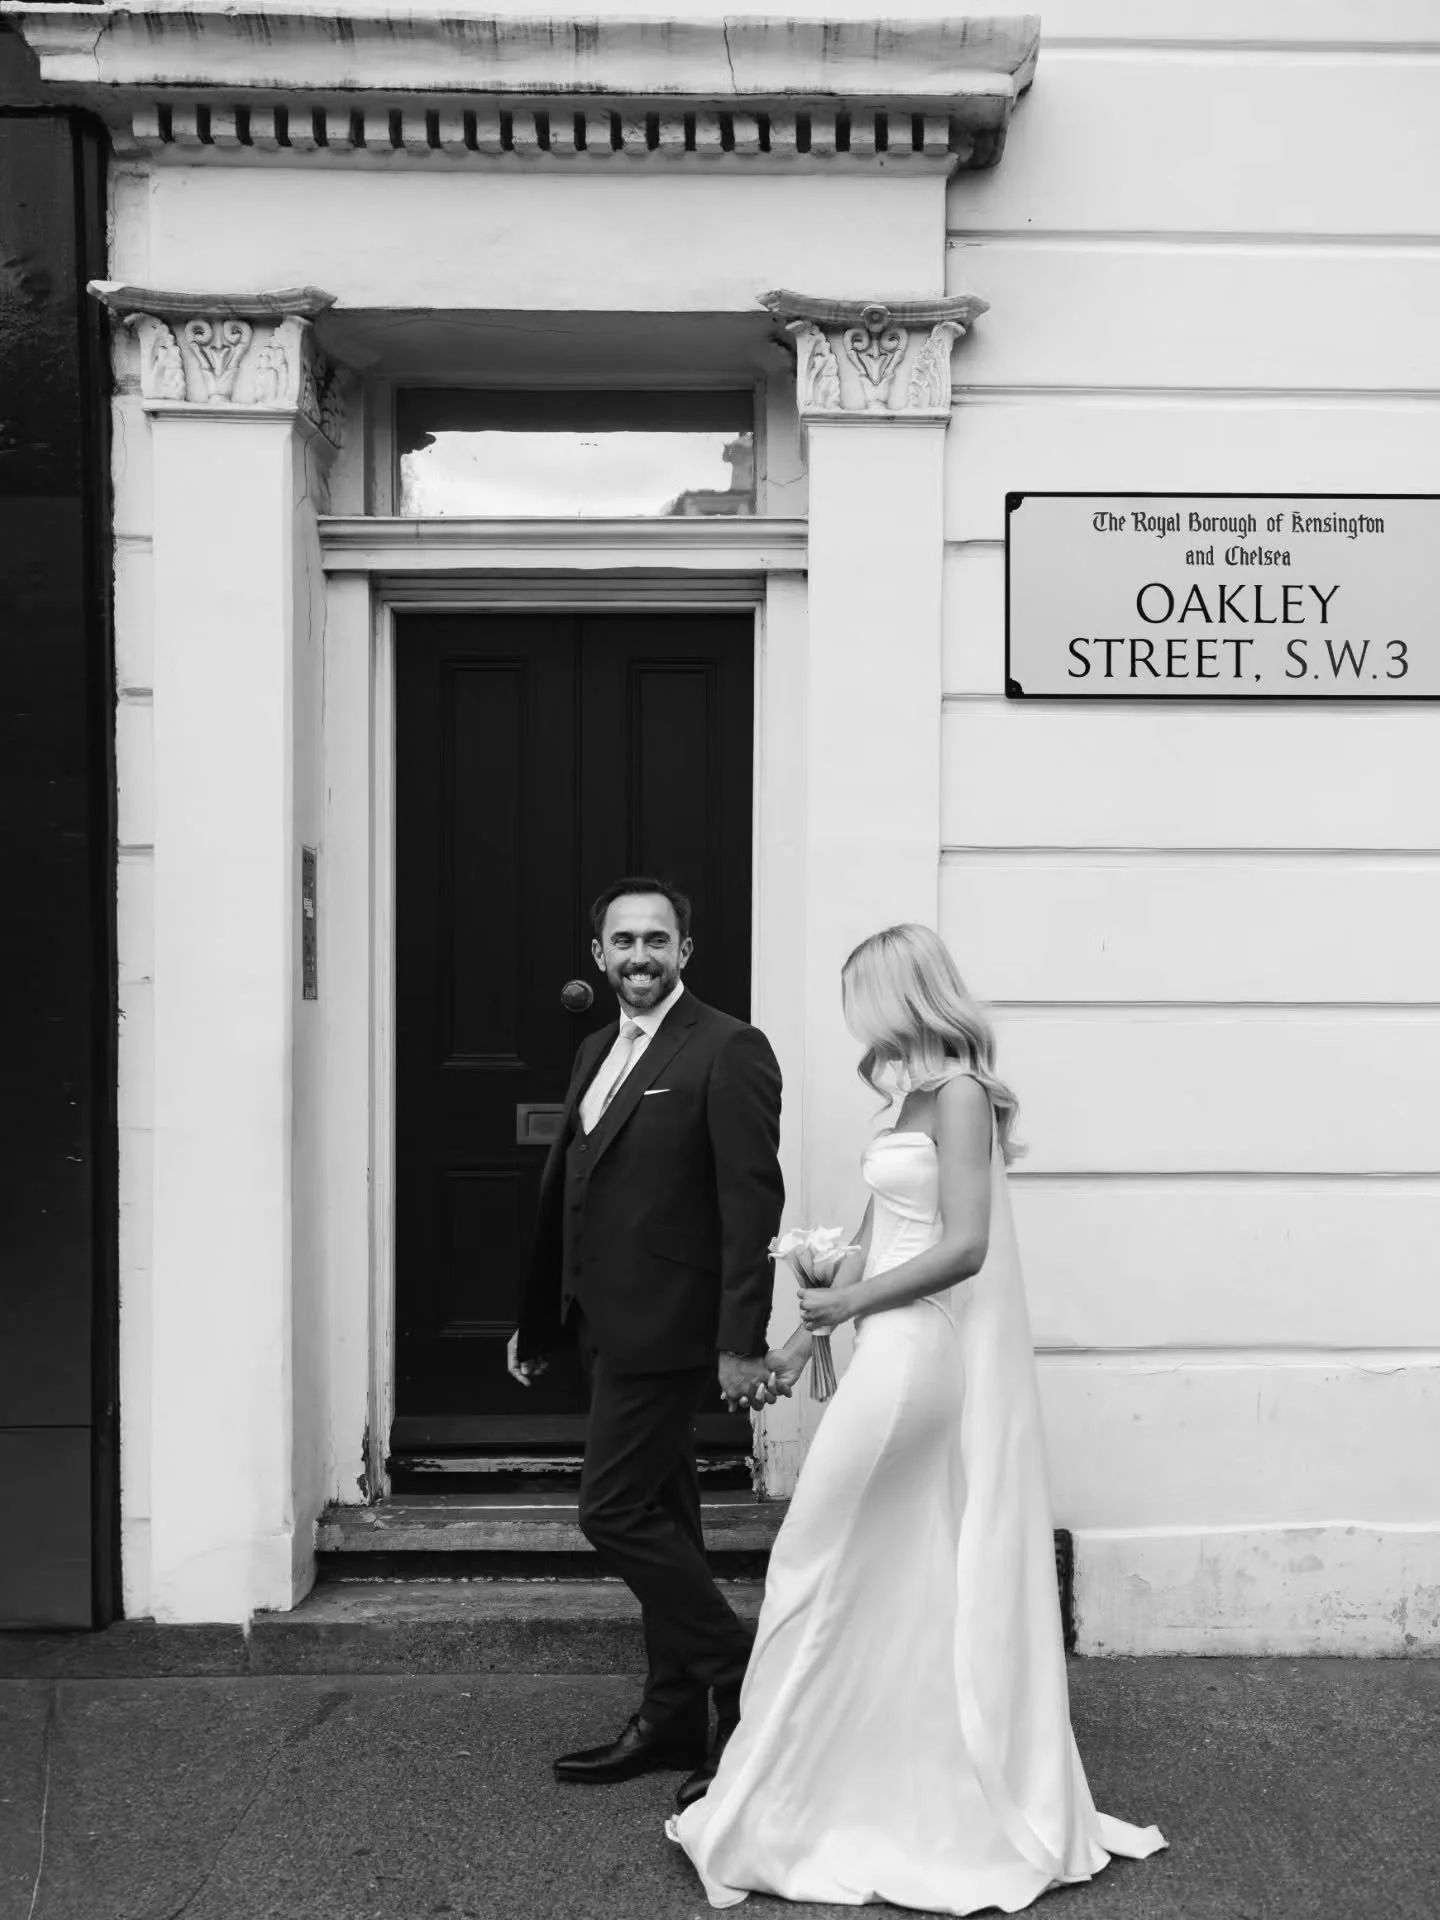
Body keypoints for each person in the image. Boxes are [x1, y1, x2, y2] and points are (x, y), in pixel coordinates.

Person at [668, 923, 1166, 1912]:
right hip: (879, 1351)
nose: (855, 1019)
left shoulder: (964, 1098)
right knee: (871, 1567)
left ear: (903, 995)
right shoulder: (906, 1097)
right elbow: (869, 1239)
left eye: (863, 997)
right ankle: (831, 1784)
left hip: (917, 1355)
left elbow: (968, 1245)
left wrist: (852, 1306)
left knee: (813, 1549)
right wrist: (796, 1341)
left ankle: (772, 1792)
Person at [509, 877, 784, 1806]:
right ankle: (673, 1721)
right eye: (623, 941)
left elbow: (753, 1206)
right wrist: (542, 1317)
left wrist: (741, 1341)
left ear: (686, 951)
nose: (639, 956)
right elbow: (572, 1186)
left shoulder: (729, 1047)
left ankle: (746, 1676)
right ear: (599, 955)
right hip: (599, 1324)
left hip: (669, 1332)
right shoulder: (595, 1046)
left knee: (613, 1513)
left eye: (657, 940)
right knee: (665, 1520)